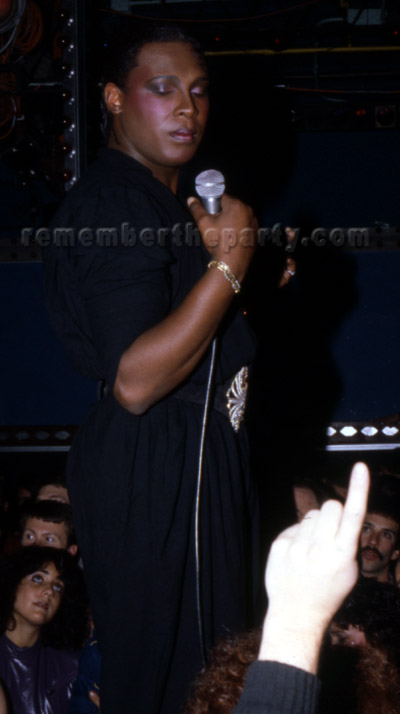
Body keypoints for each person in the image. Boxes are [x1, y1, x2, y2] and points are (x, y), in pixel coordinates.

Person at [44, 22, 259, 714]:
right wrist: (231, 266)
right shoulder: (117, 201)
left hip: (187, 461)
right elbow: (136, 380)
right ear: (113, 98)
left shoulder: (164, 208)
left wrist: (238, 282)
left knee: (217, 676)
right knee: (184, 685)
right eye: (162, 89)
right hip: (155, 462)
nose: (187, 107)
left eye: (199, 90)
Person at [185, 462, 369, 714]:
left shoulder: (344, 618)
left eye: (306, 521)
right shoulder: (225, 592)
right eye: (288, 517)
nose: (294, 531)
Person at [0, 546, 88, 714]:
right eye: (38, 578)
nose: (49, 592)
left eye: (58, 587)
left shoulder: (72, 668)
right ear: (12, 582)